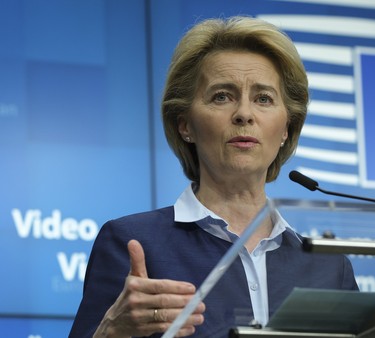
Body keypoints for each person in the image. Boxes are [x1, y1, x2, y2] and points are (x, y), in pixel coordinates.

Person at [69, 16, 359, 338]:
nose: (244, 114)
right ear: (185, 125)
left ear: (286, 129)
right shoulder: (132, 243)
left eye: (263, 98)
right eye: (222, 96)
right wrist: (110, 333)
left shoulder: (330, 268)